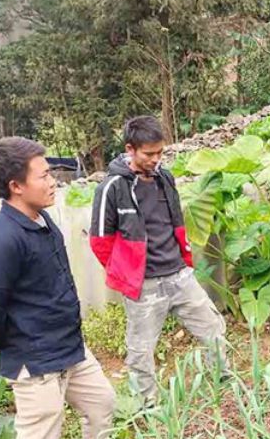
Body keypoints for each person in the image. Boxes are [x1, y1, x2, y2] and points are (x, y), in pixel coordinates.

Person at [0, 137, 116, 439]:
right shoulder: (0, 240)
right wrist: (15, 346)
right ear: (16, 186)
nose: (53, 182)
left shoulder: (41, 217)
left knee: (102, 404)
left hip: (69, 346)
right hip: (34, 362)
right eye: (44, 175)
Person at [89, 115, 229, 404]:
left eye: (160, 152)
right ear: (130, 149)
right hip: (145, 285)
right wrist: (127, 271)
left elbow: (175, 220)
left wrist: (184, 259)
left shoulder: (165, 178)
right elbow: (100, 241)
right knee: (140, 350)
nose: (156, 159)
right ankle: (148, 403)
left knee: (213, 326)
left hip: (179, 275)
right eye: (148, 154)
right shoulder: (112, 188)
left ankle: (224, 379)